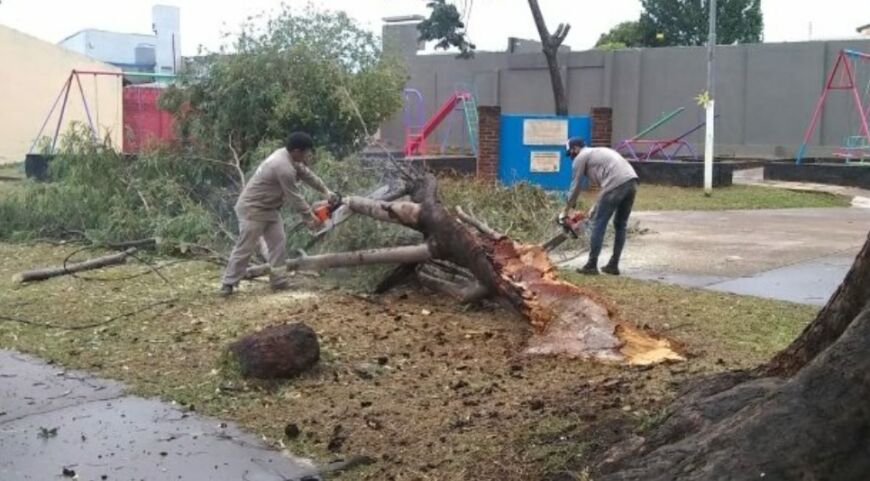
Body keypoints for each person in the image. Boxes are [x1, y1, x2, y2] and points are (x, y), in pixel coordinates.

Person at [220, 132, 336, 296]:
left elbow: (307, 175)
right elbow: (294, 196)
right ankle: (228, 284)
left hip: (269, 209)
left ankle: (278, 281)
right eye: (306, 152)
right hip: (253, 209)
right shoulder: (282, 167)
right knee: (246, 247)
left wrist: (326, 191)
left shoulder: (288, 157)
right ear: (297, 151)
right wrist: (310, 218)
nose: (307, 156)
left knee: (278, 243)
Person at [563, 138, 638, 276]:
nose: (571, 157)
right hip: (632, 182)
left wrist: (565, 211)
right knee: (620, 224)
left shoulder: (581, 157)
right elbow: (606, 188)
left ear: (575, 148)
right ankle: (613, 265)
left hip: (616, 183)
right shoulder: (597, 153)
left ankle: (591, 265)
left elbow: (575, 186)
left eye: (571, 153)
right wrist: (593, 209)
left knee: (599, 224)